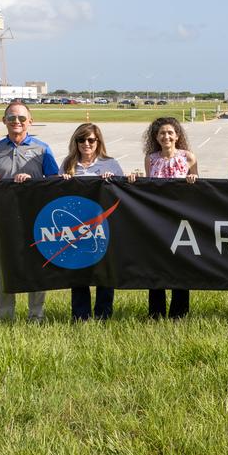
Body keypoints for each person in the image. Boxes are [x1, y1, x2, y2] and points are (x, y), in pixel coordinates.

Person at [0, 100, 60, 322]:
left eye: (22, 118)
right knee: (4, 268)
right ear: (4, 121)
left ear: (30, 122)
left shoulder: (42, 150)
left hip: (36, 218)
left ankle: (36, 315)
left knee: (37, 266)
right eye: (12, 118)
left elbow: (55, 183)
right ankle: (5, 317)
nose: (17, 122)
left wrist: (33, 181)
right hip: (3, 220)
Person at [60, 122, 133, 320]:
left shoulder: (110, 163)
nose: (86, 143)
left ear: (98, 141)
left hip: (104, 226)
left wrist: (113, 181)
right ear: (75, 142)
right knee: (79, 271)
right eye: (81, 140)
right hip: (78, 227)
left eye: (91, 139)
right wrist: (63, 181)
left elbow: (123, 194)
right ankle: (80, 315)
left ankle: (103, 314)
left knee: (105, 271)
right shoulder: (68, 164)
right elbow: (58, 195)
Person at [144, 116, 198, 319]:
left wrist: (193, 179)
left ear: (177, 136)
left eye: (170, 133)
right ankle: (155, 313)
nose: (166, 136)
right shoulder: (151, 159)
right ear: (156, 137)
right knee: (156, 264)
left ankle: (179, 312)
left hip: (181, 219)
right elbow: (148, 187)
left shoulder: (188, 157)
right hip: (157, 221)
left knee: (180, 265)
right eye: (161, 133)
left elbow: (197, 189)